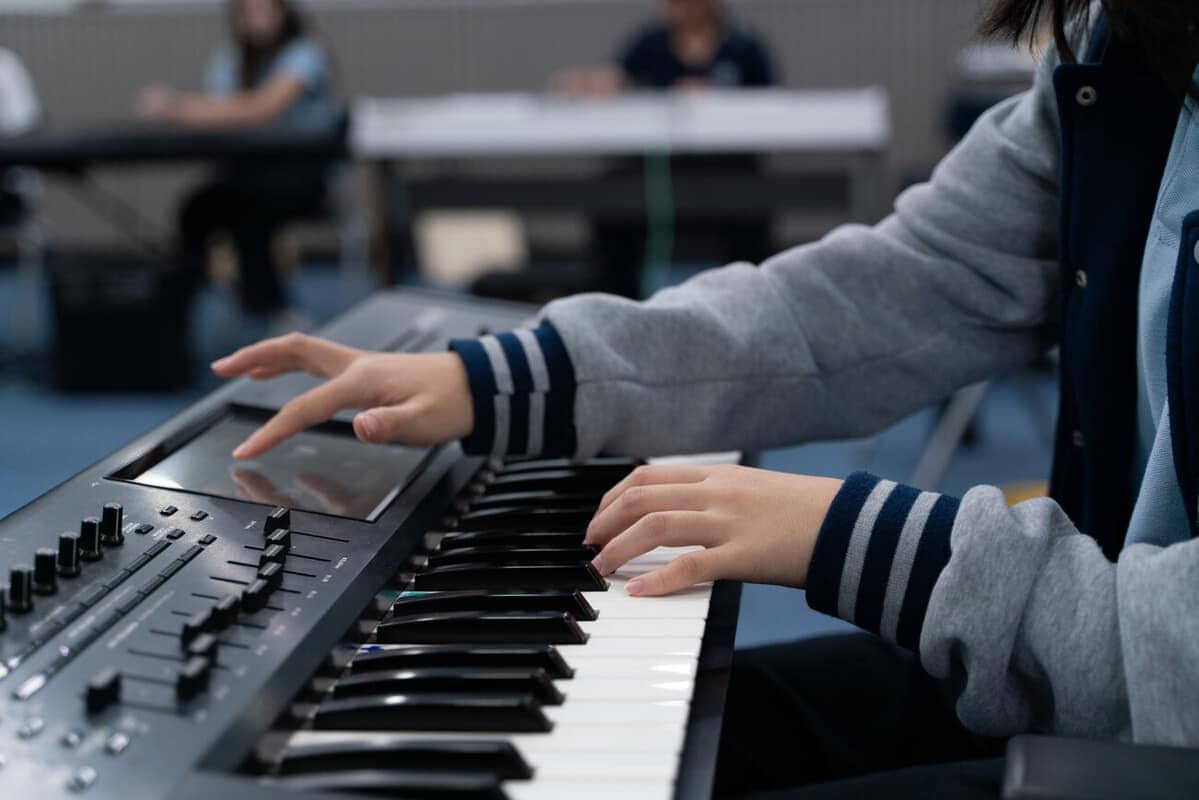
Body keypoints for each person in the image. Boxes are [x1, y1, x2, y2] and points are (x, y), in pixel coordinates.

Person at [211, 0, 1199, 796]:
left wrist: (864, 537)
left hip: (1156, 708)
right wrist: (500, 375)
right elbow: (881, 295)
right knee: (671, 731)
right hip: (1086, 665)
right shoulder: (1121, 44)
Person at [553, 0, 776, 298]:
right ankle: (612, 301)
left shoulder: (743, 47)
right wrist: (586, 84)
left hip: (725, 165)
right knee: (611, 194)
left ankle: (752, 297)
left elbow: (771, 107)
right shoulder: (652, 41)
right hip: (662, 169)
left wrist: (716, 99)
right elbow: (616, 78)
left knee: (752, 198)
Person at [136, 0, 341, 320]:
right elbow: (222, 115)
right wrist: (192, 111)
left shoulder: (305, 53)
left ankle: (275, 310)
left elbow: (260, 109)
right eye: (248, 12)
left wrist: (177, 107)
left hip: (300, 173)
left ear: (283, 13)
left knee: (248, 209)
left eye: (265, 10)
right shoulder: (228, 61)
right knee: (198, 207)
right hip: (248, 170)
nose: (257, 20)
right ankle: (180, 308)